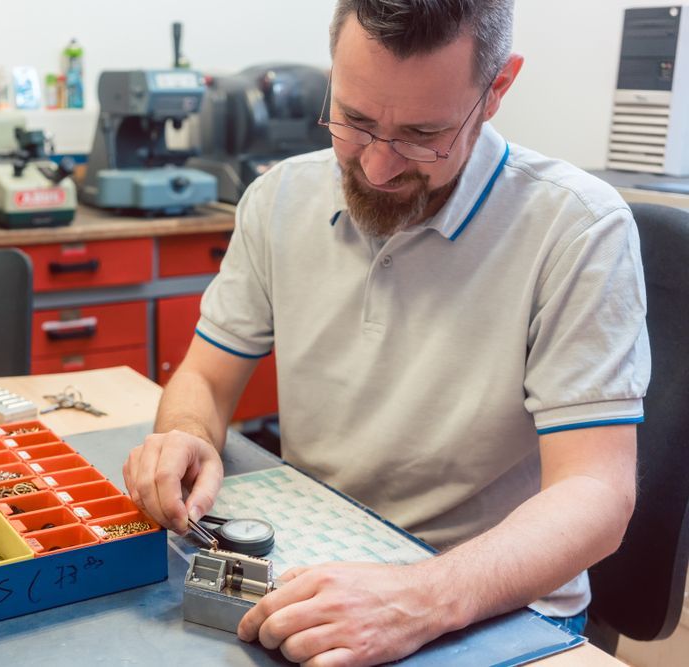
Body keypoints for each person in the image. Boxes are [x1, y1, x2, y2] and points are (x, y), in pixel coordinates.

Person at [123, 0, 650, 664]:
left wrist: (423, 596)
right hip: (316, 557)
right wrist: (186, 435)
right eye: (356, 120)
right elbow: (203, 376)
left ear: (497, 90)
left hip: (488, 602)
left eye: (423, 134)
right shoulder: (279, 198)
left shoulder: (578, 229)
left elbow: (597, 494)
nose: (376, 168)